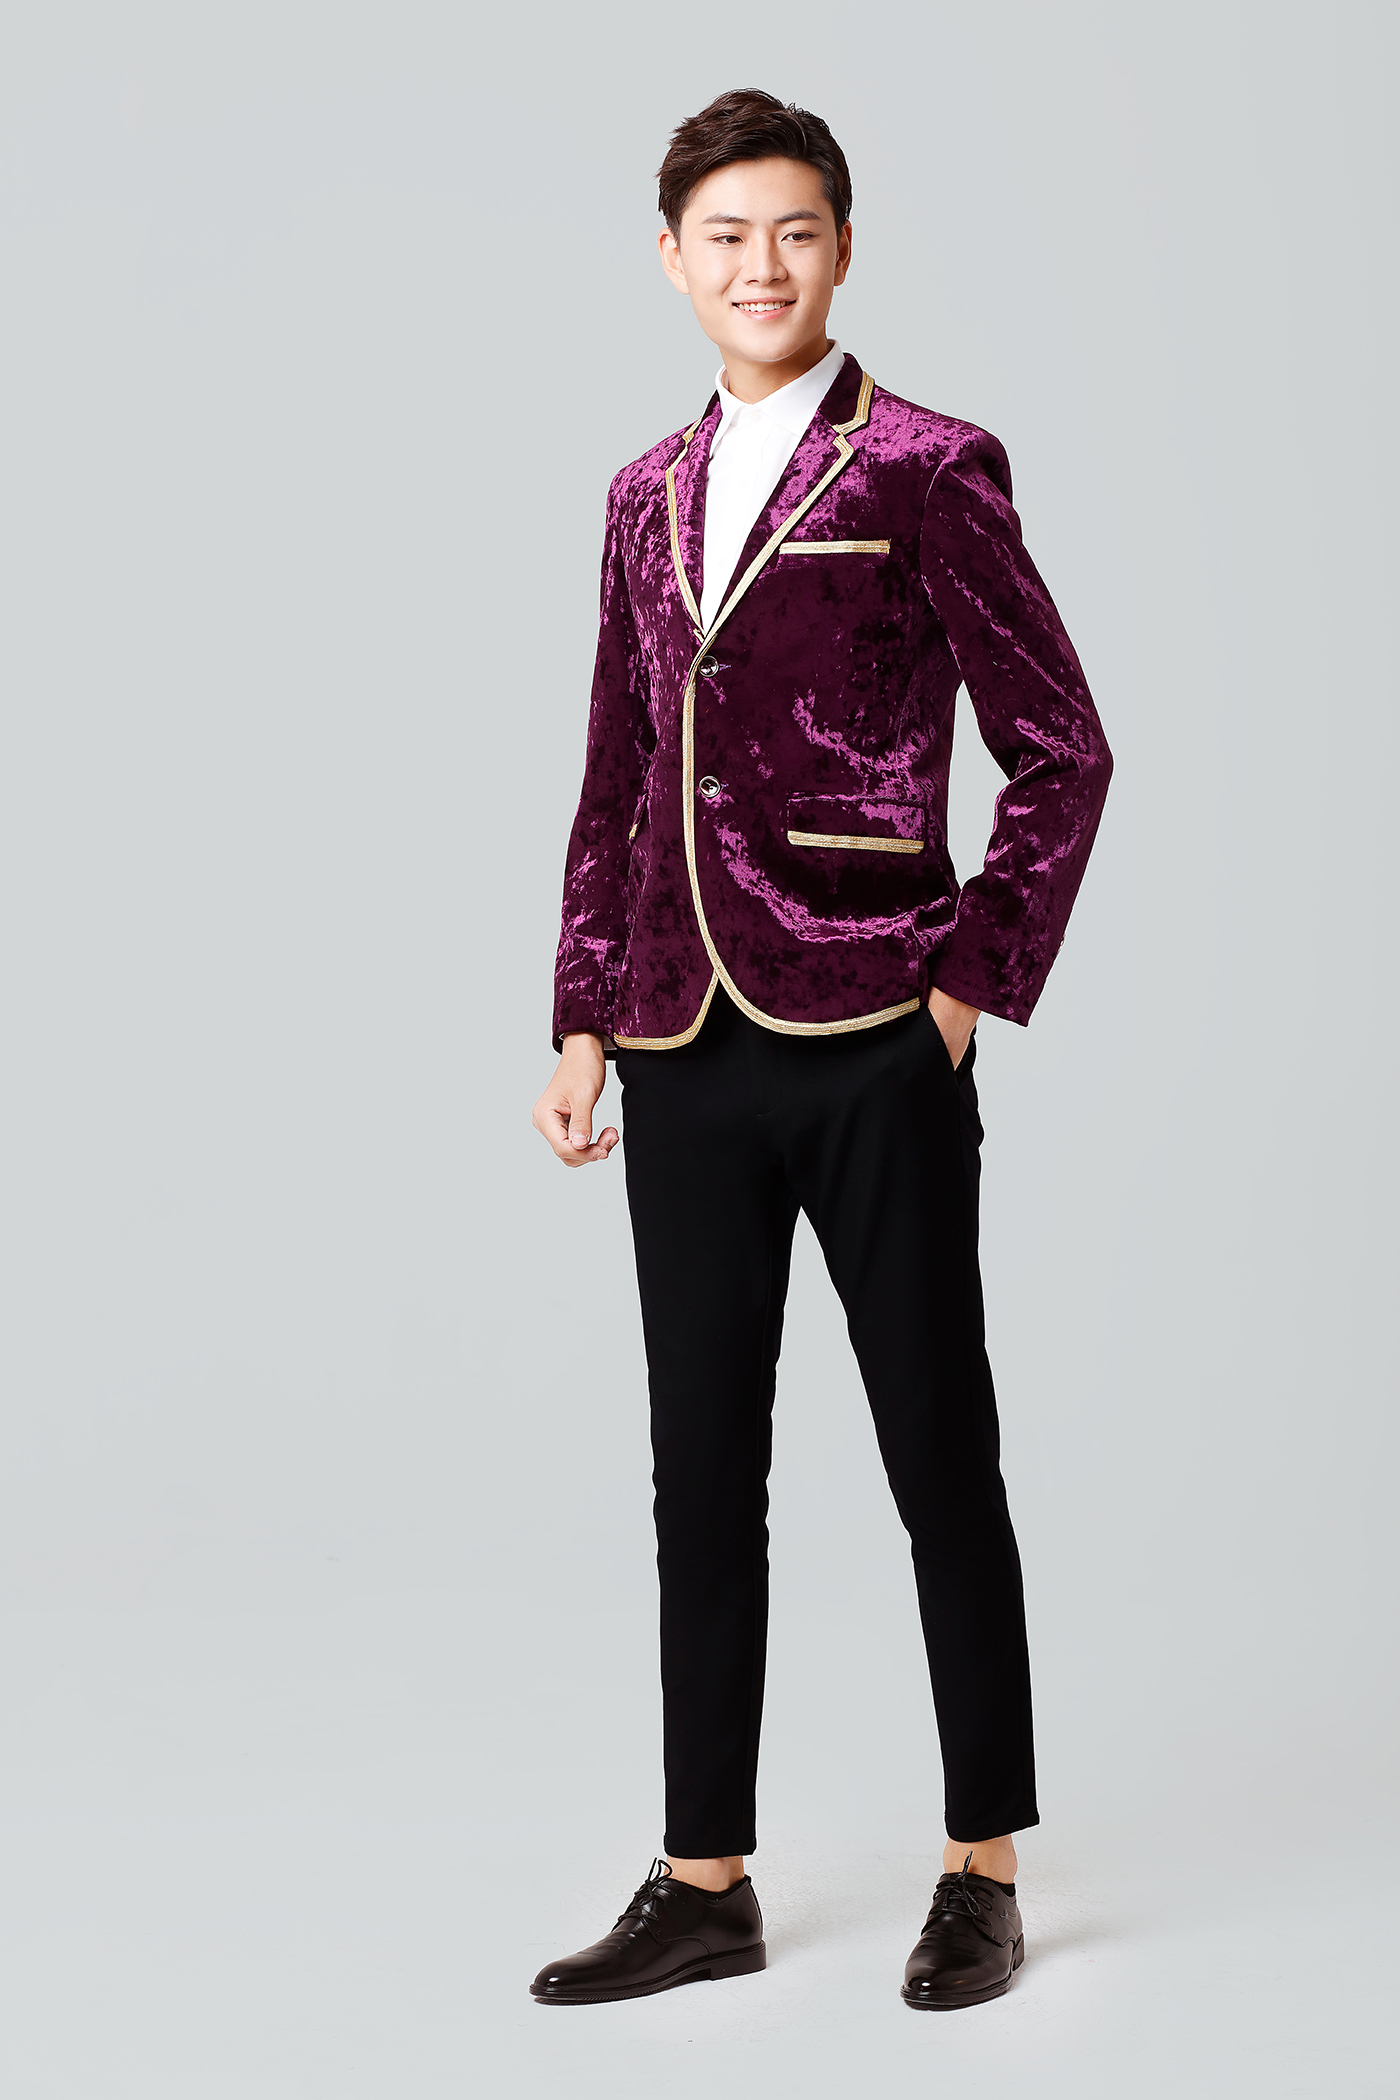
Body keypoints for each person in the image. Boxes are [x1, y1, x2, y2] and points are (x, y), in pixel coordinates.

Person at [529, 87, 1112, 2011]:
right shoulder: (639, 496)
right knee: (701, 1468)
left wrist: (965, 983)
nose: (760, 265)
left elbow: (1063, 751)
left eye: (794, 231)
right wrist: (583, 1015)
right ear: (671, 260)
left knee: (939, 1448)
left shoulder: (929, 467)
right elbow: (618, 770)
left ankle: (983, 1864)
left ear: (843, 249)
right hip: (682, 1034)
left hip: (874, 1027)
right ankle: (705, 1877)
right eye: (725, 236)